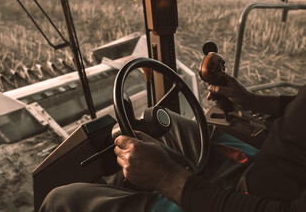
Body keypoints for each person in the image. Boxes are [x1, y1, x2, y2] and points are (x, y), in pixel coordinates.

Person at [40, 75, 306, 212]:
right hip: (264, 165)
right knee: (168, 123)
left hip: (253, 201)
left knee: (61, 200)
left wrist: (170, 179)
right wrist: (254, 102)